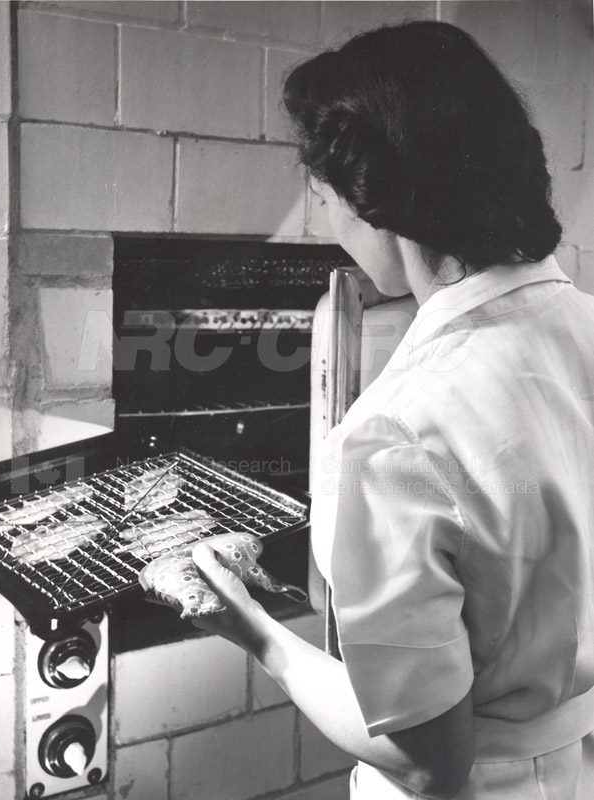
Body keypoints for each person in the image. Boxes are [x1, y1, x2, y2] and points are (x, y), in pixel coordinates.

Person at [188, 21, 594, 799]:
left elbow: (423, 760)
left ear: (376, 202)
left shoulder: (392, 433)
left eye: (326, 197)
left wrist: (251, 631)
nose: (330, 225)